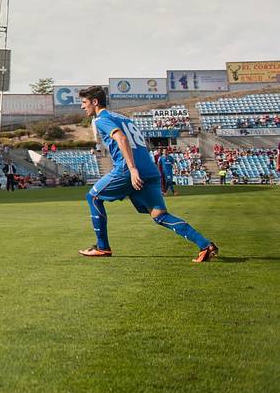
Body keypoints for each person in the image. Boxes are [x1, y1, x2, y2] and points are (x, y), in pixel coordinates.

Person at [77, 86, 217, 262]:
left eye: (84, 102)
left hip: (128, 170)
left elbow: (121, 138)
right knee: (160, 215)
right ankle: (205, 245)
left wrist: (132, 169)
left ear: (95, 102)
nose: (82, 106)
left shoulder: (101, 119)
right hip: (149, 170)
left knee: (93, 197)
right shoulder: (123, 118)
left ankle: (102, 247)